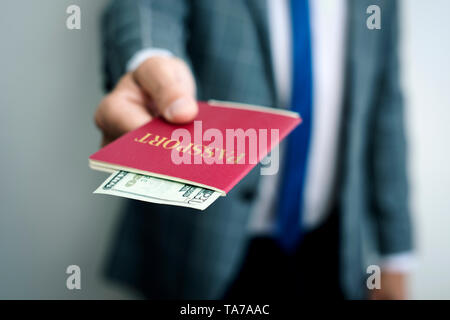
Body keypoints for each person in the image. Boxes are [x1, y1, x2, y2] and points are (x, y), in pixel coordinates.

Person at [95, 0, 414, 299]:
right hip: (203, 240)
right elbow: (148, 7)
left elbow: (385, 110)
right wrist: (149, 60)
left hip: (331, 243)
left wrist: (395, 253)